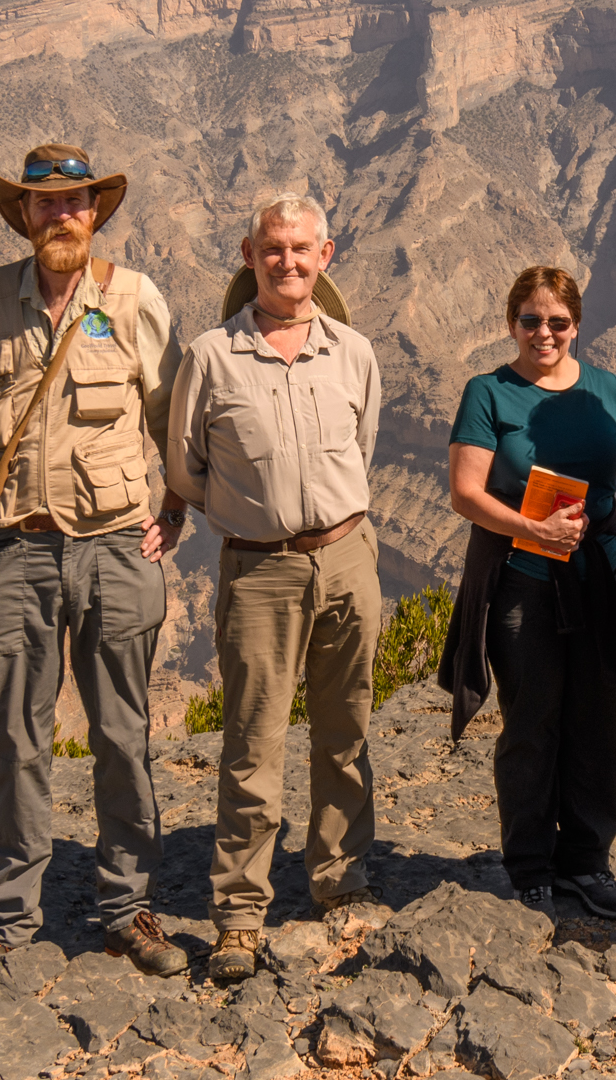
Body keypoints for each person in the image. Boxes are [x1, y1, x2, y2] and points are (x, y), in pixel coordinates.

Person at [0, 144, 187, 974]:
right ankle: (8, 921)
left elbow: (172, 407)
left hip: (114, 542)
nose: (62, 215)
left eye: (75, 201)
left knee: (122, 732)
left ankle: (128, 906)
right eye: (45, 203)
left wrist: (176, 504)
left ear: (95, 211)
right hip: (12, 546)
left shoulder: (135, 299)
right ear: (24, 216)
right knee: (16, 738)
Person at [166, 194, 384, 982]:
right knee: (253, 742)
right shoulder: (210, 357)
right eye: (272, 248)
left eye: (301, 248)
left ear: (327, 254)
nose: (287, 261)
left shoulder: (354, 351)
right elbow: (185, 467)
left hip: (347, 554)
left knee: (345, 727)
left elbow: (362, 448)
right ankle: (239, 912)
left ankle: (339, 878)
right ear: (248, 255)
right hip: (258, 568)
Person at [436, 266, 616, 925]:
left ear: (575, 324)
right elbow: (464, 491)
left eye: (557, 321)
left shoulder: (606, 387)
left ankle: (586, 862)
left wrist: (582, 527)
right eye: (530, 319)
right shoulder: (488, 393)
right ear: (511, 323)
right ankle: (530, 864)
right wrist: (534, 527)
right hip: (524, 583)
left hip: (596, 580)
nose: (544, 333)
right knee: (532, 721)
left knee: (598, 723)